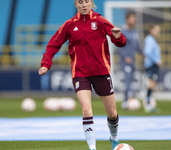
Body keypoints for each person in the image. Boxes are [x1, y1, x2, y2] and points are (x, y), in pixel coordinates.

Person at [38, 0, 127, 150]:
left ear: (91, 3)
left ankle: (114, 138)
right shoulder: (69, 25)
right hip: (80, 73)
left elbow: (121, 43)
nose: (84, 5)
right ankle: (92, 148)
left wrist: (118, 37)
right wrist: (46, 64)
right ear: (76, 4)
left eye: (86, 1)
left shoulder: (100, 21)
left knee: (112, 114)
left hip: (101, 72)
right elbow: (53, 44)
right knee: (86, 109)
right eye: (80, 2)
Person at [118, 11, 143, 109]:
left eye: (135, 18)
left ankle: (125, 101)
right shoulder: (123, 32)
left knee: (131, 79)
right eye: (132, 18)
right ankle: (130, 97)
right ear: (127, 19)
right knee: (128, 79)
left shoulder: (134, 32)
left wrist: (143, 53)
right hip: (126, 61)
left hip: (133, 61)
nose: (134, 20)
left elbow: (137, 46)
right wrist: (125, 57)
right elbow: (119, 46)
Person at [143, 23, 162, 113]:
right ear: (151, 30)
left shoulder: (152, 40)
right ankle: (147, 104)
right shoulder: (149, 39)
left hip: (152, 65)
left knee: (152, 84)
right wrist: (156, 60)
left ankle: (149, 102)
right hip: (151, 65)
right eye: (156, 31)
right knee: (151, 84)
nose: (158, 33)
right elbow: (147, 52)